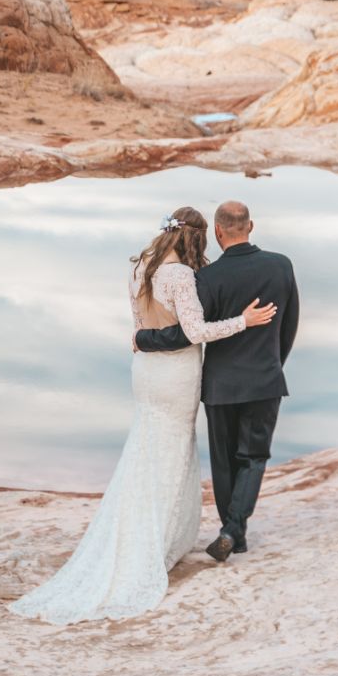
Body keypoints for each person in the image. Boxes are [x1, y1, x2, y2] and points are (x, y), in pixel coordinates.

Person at [10, 206, 276, 624]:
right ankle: (155, 544)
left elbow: (140, 325)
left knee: (147, 446)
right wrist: (243, 321)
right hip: (177, 374)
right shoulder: (181, 277)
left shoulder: (139, 268)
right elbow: (195, 332)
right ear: (196, 238)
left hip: (146, 373)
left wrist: (142, 339)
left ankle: (150, 534)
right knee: (171, 451)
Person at [135, 199, 299, 562]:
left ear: (220, 231)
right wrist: (273, 364)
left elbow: (187, 334)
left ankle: (232, 533)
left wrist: (142, 340)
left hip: (219, 385)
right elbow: (289, 325)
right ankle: (232, 531)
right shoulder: (281, 266)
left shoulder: (205, 278)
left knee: (224, 462)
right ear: (251, 227)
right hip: (265, 380)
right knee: (253, 457)